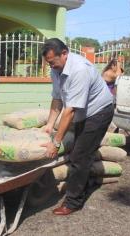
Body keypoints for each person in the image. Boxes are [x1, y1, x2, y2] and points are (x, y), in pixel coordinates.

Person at [41, 38, 114, 215]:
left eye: (53, 62)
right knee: (82, 150)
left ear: (64, 54)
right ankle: (86, 182)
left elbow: (70, 110)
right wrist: (50, 125)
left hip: (99, 112)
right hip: (83, 112)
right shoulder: (56, 70)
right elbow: (57, 98)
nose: (51, 67)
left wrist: (56, 142)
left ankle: (73, 202)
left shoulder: (79, 70)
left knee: (79, 156)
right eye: (48, 63)